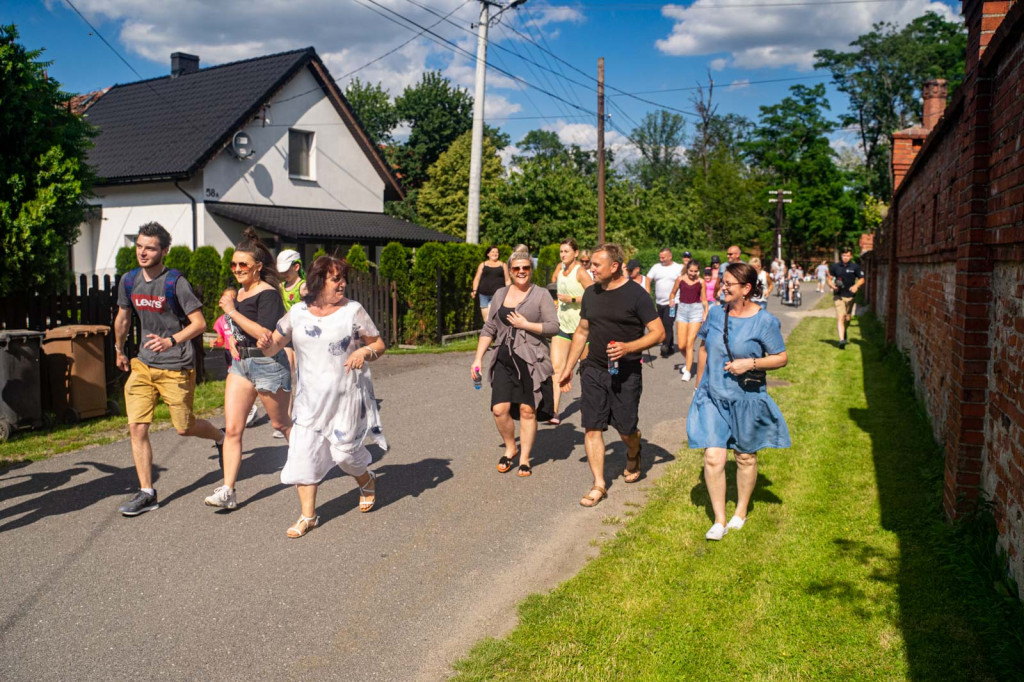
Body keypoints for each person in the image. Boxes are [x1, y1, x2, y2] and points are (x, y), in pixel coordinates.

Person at [257, 255, 386, 537]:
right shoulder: (298, 313)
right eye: (335, 279)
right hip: (309, 402)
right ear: (318, 281)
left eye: (343, 278)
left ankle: (366, 479)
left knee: (345, 455)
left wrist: (363, 352)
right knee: (302, 455)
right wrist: (265, 343)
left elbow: (378, 343)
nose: (342, 284)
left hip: (346, 399)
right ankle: (308, 516)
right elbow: (273, 346)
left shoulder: (353, 310)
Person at [113, 222, 225, 516]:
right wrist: (119, 349)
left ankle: (221, 438)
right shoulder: (129, 280)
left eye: (149, 247)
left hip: (175, 366)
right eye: (139, 246)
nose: (142, 252)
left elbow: (199, 323)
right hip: (143, 364)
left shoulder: (176, 283)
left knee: (183, 427)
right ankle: (147, 492)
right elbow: (123, 318)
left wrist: (171, 340)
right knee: (137, 427)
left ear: (164, 250)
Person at [687, 262, 790, 540]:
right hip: (713, 395)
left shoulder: (764, 321)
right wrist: (699, 385)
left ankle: (740, 511)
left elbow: (781, 357)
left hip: (746, 397)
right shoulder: (716, 314)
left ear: (746, 288)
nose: (723, 286)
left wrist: (750, 363)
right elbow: (705, 347)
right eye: (722, 281)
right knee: (712, 457)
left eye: (729, 283)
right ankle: (719, 520)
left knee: (744, 456)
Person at [558, 244, 664, 507]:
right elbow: (582, 331)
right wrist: (569, 366)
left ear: (614, 267)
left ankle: (634, 450)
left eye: (596, 265)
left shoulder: (636, 295)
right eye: (590, 264)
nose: (590, 269)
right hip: (593, 368)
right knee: (592, 426)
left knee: (626, 428)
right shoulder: (591, 294)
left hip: (626, 372)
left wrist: (628, 347)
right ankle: (599, 484)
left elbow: (658, 332)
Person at [206, 228, 293, 510]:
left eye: (243, 264)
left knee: (281, 424)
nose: (236, 269)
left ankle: (306, 461)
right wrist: (231, 337)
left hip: (267, 364)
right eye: (233, 264)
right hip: (241, 365)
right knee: (232, 430)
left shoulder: (267, 294)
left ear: (257, 267)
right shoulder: (239, 294)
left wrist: (231, 310)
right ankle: (228, 490)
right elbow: (233, 327)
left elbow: (264, 333)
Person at [471, 252, 557, 477]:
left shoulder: (541, 295)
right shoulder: (500, 293)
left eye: (526, 268)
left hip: (531, 361)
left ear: (531, 269)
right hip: (504, 359)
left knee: (528, 410)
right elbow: (489, 328)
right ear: (510, 271)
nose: (521, 272)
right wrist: (478, 358)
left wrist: (527, 324)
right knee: (499, 410)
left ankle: (525, 458)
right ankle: (511, 447)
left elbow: (553, 327)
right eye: (517, 268)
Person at [549, 239, 593, 425]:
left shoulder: (581, 272)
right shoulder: (560, 269)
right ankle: (554, 411)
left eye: (566, 251)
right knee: (556, 369)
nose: (563, 254)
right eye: (561, 251)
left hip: (581, 329)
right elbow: (555, 285)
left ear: (575, 253)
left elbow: (594, 296)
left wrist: (572, 298)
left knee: (586, 370)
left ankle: (590, 406)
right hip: (562, 326)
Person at [276, 249, 307, 438]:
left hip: (303, 337)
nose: (284, 274)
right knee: (286, 374)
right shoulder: (281, 286)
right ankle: (286, 417)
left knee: (302, 376)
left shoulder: (304, 287)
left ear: (297, 267)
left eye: (287, 270)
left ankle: (303, 415)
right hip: (288, 336)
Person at [669, 260, 708, 382]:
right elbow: (673, 293)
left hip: (696, 311)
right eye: (691, 271)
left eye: (696, 271)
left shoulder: (701, 282)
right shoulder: (680, 279)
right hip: (682, 310)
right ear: (687, 269)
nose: (693, 273)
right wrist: (671, 300)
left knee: (690, 343)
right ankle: (689, 362)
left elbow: (704, 299)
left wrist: (705, 313)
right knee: (681, 345)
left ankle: (687, 371)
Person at [646, 248, 683, 357]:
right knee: (662, 324)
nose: (661, 259)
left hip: (672, 302)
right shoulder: (656, 267)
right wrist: (647, 292)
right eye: (660, 257)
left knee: (668, 323)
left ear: (670, 256)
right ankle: (670, 346)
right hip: (659, 302)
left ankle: (665, 346)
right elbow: (648, 279)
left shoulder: (678, 268)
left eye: (663, 257)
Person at [828, 248, 865, 349]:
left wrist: (856, 286)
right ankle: (841, 340)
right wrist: (832, 286)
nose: (845, 258)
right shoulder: (835, 266)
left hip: (850, 296)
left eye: (847, 256)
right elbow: (829, 279)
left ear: (851, 256)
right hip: (838, 295)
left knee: (847, 318)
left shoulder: (855, 267)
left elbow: (862, 279)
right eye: (844, 256)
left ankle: (844, 331)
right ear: (841, 256)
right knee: (841, 316)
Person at [471, 245, 510, 321]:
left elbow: (507, 280)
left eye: (496, 252)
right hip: (483, 295)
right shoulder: (482, 265)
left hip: (497, 295)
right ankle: (490, 332)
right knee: (486, 320)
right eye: (493, 252)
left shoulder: (503, 265)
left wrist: (509, 292)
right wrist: (474, 291)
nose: (495, 254)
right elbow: (477, 279)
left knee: (491, 317)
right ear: (488, 254)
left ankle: (495, 332)